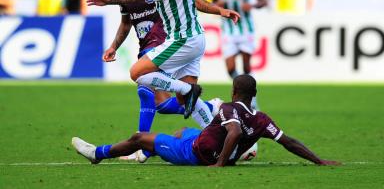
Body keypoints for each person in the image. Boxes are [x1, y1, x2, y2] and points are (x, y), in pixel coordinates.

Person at [87, 0, 240, 121]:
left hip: (183, 40)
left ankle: (188, 91)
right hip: (193, 40)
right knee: (184, 102)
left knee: (137, 72)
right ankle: (219, 126)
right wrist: (108, 1)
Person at [105, 0, 226, 161]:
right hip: (148, 46)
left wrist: (217, 10)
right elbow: (125, 24)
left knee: (143, 86)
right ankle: (213, 110)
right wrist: (114, 46)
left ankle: (143, 147)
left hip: (164, 42)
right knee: (163, 104)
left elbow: (192, 0)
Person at [72, 74, 340, 167]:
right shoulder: (261, 119)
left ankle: (98, 153)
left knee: (139, 137)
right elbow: (289, 142)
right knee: (181, 130)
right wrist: (319, 160)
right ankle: (149, 153)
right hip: (198, 140)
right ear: (254, 95)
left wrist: (220, 163)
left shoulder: (227, 110)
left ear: (235, 92)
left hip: (195, 154)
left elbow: (233, 131)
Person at [212, 0, 267, 85]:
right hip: (228, 29)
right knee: (230, 69)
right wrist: (217, 5)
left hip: (245, 27)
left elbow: (263, 1)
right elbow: (212, 3)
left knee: (246, 67)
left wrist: (252, 6)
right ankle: (243, 88)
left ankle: (251, 99)